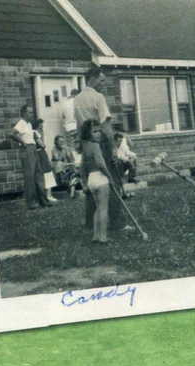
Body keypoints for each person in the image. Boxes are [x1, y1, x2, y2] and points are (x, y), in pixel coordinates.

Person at [74, 68, 129, 231]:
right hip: (101, 143)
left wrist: (81, 145)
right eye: (102, 80)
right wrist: (114, 147)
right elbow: (105, 125)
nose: (104, 84)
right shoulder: (98, 97)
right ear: (92, 79)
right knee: (111, 180)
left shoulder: (77, 99)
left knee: (92, 180)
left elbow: (79, 125)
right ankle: (118, 223)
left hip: (87, 144)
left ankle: (91, 223)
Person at [10, 105, 51, 209]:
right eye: (29, 112)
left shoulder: (28, 124)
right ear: (24, 113)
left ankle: (43, 201)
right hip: (27, 149)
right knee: (30, 177)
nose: (32, 114)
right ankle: (32, 203)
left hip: (33, 148)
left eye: (32, 112)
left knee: (38, 175)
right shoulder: (21, 123)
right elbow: (12, 134)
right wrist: (23, 142)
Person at [78, 120, 110, 243]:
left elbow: (81, 166)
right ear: (88, 133)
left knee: (98, 209)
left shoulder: (85, 147)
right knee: (103, 208)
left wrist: (84, 182)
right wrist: (109, 177)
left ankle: (96, 236)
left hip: (91, 180)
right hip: (100, 178)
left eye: (99, 131)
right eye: (95, 131)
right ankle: (103, 237)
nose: (98, 133)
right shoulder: (95, 146)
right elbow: (100, 164)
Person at [32, 118, 57, 203]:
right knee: (46, 172)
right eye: (41, 124)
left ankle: (47, 195)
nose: (42, 126)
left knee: (45, 173)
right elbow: (42, 145)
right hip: (40, 154)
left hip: (40, 154)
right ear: (38, 125)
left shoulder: (37, 133)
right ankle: (48, 195)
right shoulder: (34, 133)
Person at [60, 88, 79, 156]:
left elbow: (62, 116)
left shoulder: (64, 103)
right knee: (78, 144)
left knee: (71, 146)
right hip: (77, 125)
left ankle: (74, 159)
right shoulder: (76, 102)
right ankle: (79, 159)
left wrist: (65, 124)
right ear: (77, 95)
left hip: (68, 127)